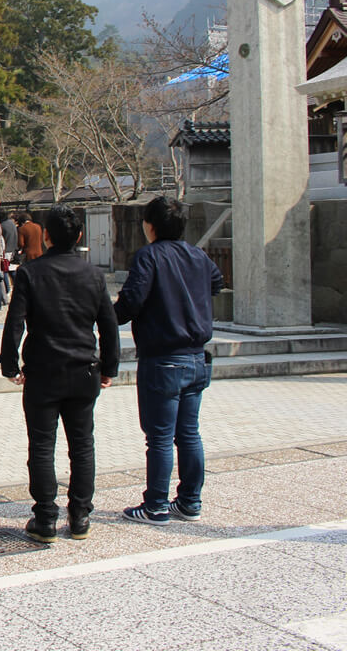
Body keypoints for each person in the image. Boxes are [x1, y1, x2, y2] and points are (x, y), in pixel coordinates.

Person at [0, 205, 120, 543]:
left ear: (47, 236)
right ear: (79, 236)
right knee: (82, 445)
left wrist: (10, 364)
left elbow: (16, 322)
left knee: (41, 445)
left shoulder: (31, 273)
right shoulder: (94, 275)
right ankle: (80, 515)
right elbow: (108, 328)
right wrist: (109, 367)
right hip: (84, 370)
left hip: (43, 370)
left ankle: (46, 517)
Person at [114, 196, 223, 526]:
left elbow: (131, 300)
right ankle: (190, 501)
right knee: (189, 433)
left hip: (162, 359)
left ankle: (156, 505)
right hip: (196, 358)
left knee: (159, 437)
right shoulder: (198, 256)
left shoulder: (149, 255)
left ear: (149, 226)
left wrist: (107, 318)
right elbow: (216, 283)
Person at [0, 208, 18, 294]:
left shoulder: (2, 226)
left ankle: (7, 289)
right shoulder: (11, 223)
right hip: (12, 249)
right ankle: (16, 286)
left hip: (5, 251)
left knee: (4, 270)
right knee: (11, 271)